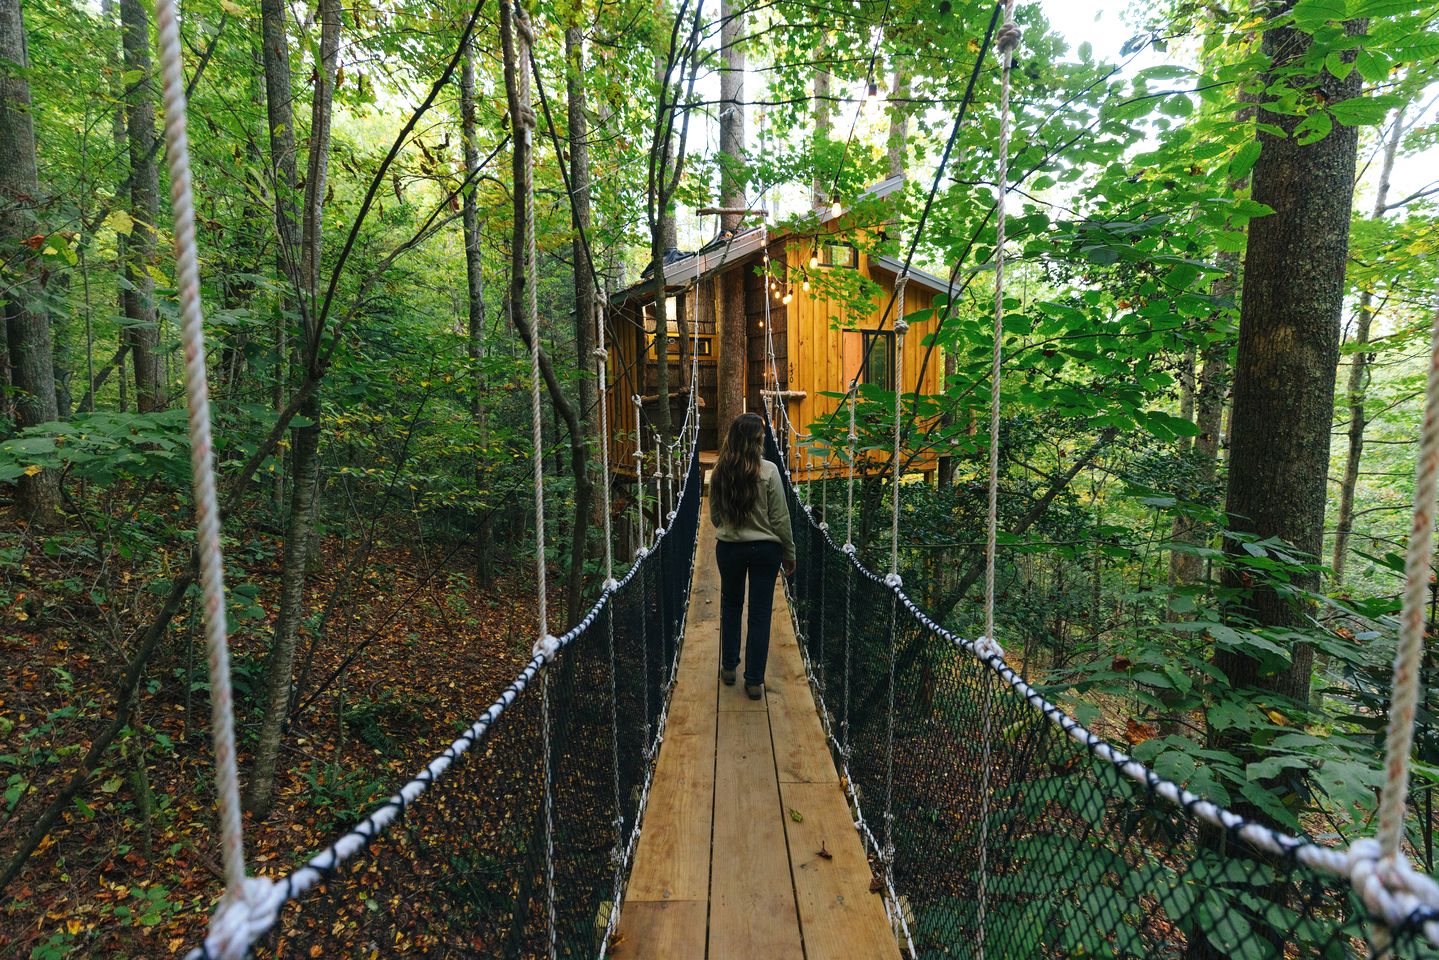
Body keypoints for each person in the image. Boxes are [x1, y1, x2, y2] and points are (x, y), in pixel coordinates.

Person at [709, 412, 796, 700]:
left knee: (731, 605)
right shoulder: (769, 471)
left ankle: (729, 667)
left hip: (730, 549)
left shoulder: (720, 470)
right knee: (759, 613)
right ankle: (755, 681)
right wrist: (789, 552)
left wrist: (730, 531)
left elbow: (714, 516)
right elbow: (780, 518)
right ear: (757, 440)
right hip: (766, 551)